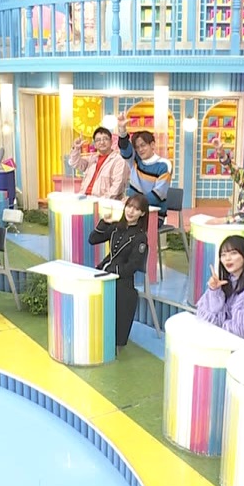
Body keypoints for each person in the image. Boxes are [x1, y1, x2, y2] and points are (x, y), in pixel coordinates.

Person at [89, 193, 151, 350]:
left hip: (122, 277)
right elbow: (93, 239)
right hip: (105, 271)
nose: (131, 211)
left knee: (123, 296)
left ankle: (116, 341)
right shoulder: (117, 227)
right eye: (129, 206)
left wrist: (112, 272)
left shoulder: (140, 237)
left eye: (136, 209)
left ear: (142, 213)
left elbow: (132, 266)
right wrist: (104, 222)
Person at [195, 234, 244, 354]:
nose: (227, 258)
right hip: (228, 335)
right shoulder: (227, 280)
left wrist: (219, 325)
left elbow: (242, 331)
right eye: (223, 255)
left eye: (233, 253)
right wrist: (214, 291)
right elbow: (206, 315)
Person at [116, 121, 172, 218]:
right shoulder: (134, 159)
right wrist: (122, 130)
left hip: (154, 213)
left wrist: (135, 202)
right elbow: (125, 148)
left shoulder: (164, 165)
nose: (140, 149)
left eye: (143, 145)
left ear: (152, 145)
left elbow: (159, 194)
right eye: (137, 147)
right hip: (132, 210)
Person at [68, 127, 129, 199]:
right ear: (95, 144)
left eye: (105, 139)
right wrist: (76, 148)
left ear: (111, 142)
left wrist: (100, 202)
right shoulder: (92, 158)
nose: (102, 142)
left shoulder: (119, 161)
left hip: (104, 202)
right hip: (84, 198)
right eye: (98, 140)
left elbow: (116, 188)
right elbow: (74, 163)